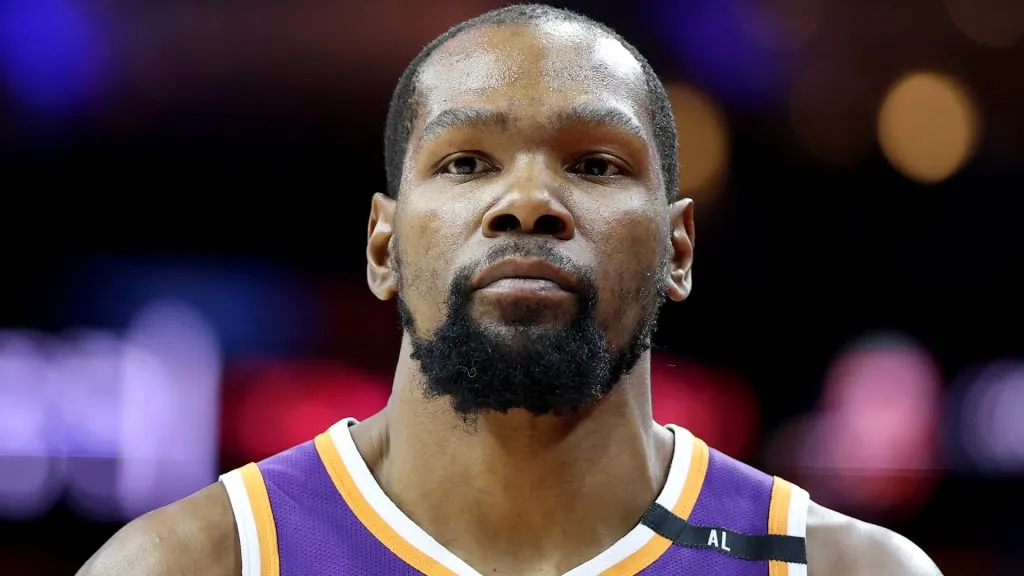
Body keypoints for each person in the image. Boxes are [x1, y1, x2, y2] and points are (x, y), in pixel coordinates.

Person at [78, 4, 942, 575]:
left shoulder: (839, 567)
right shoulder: (195, 562)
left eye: (595, 164)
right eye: (466, 163)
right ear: (382, 245)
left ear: (680, 248)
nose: (527, 201)